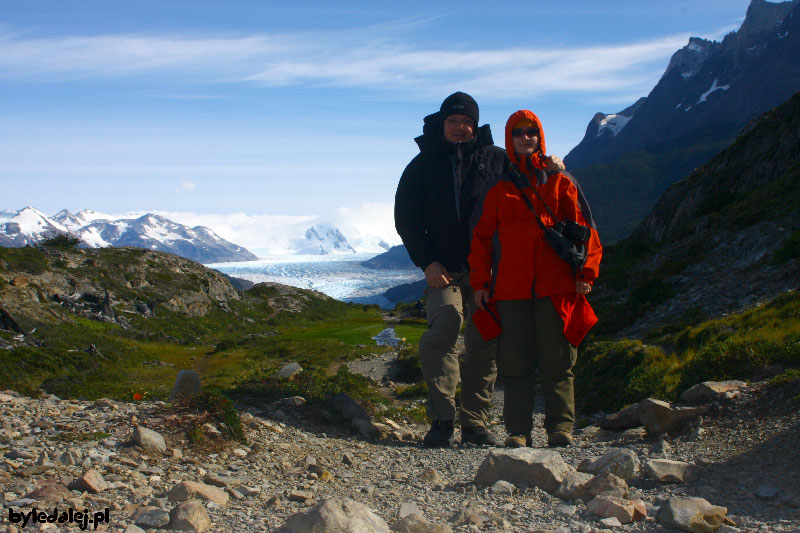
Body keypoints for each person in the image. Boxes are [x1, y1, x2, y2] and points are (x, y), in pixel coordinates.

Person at [394, 93, 564, 448]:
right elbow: (406, 218)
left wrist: (550, 166)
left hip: (487, 270)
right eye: (453, 121)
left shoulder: (496, 159)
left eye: (466, 122)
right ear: (442, 125)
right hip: (444, 269)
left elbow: (528, 177)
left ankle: (474, 423)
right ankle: (442, 419)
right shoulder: (421, 165)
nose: (460, 128)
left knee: (484, 343)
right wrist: (427, 262)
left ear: (475, 125)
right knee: (444, 327)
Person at [469, 109, 602, 448]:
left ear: (540, 137)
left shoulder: (561, 182)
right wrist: (481, 284)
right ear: (509, 139)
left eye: (531, 132)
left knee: (558, 361)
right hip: (511, 291)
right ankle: (518, 432)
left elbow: (587, 233)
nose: (525, 137)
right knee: (514, 365)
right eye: (518, 132)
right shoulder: (500, 191)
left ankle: (560, 429)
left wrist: (586, 273)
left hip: (555, 286)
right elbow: (481, 241)